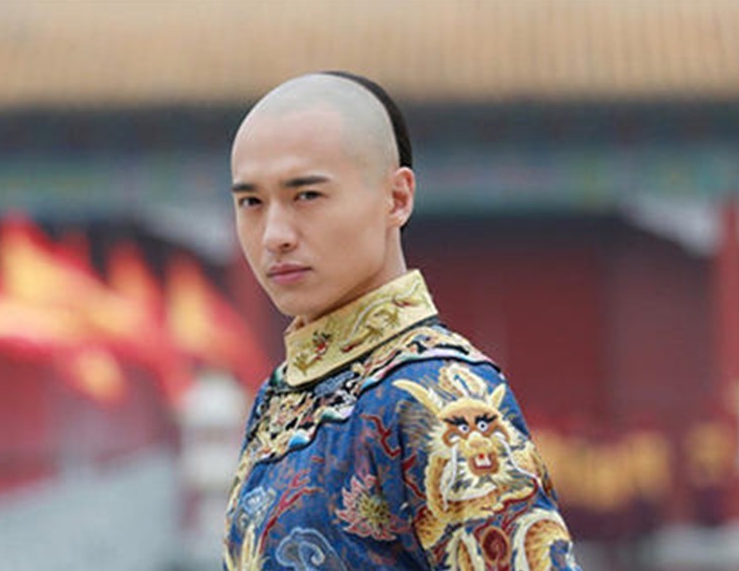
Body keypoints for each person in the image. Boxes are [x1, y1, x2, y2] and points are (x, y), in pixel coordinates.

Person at [224, 71, 581, 570]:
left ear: (397, 198)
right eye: (251, 202)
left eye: (306, 196)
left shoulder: (440, 398)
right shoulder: (279, 396)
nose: (274, 235)